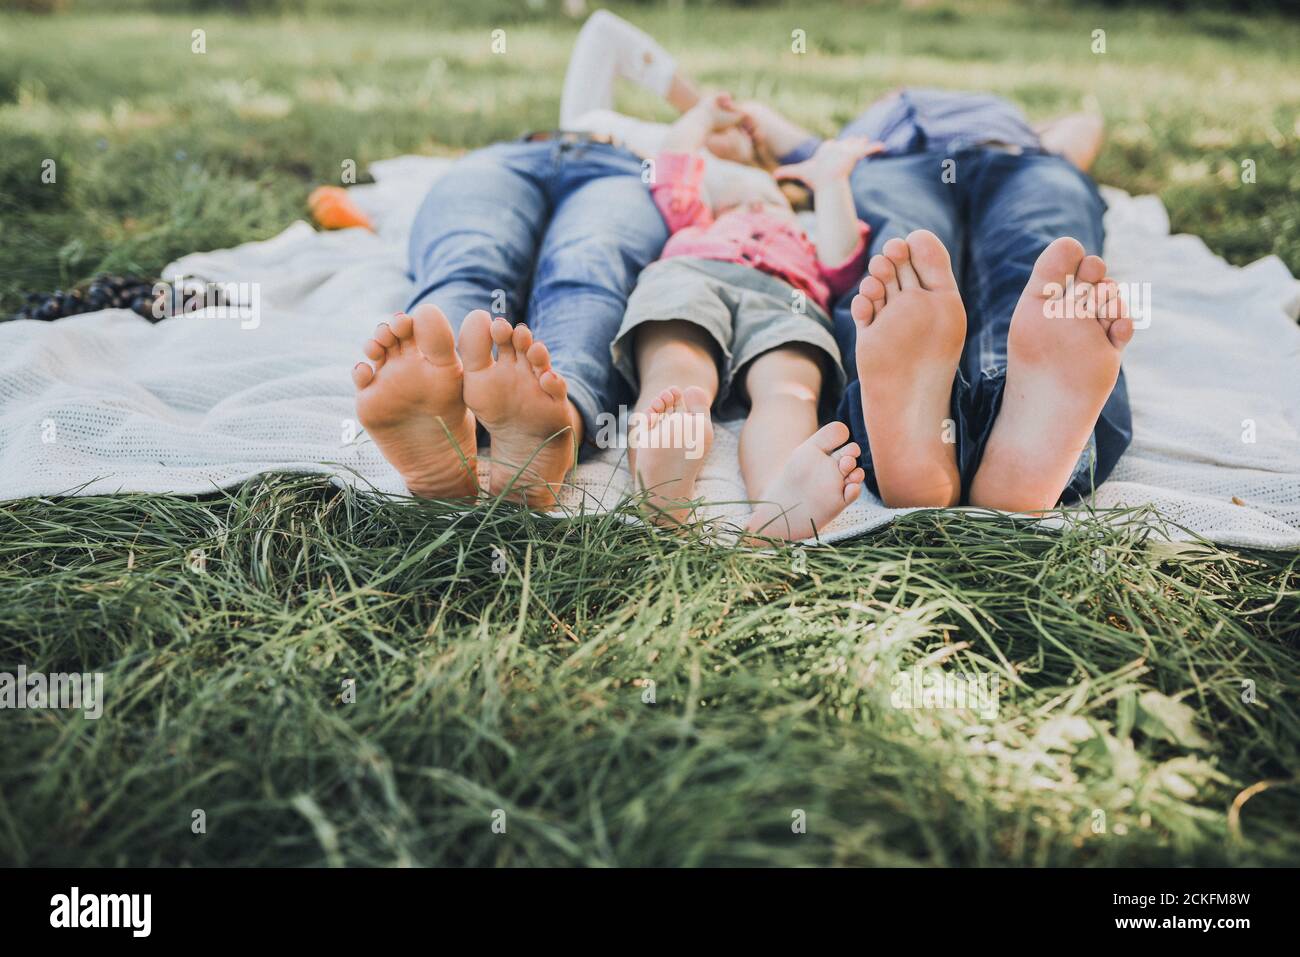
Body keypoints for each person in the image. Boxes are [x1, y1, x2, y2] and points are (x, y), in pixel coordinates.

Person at [611, 94, 876, 539]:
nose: (728, 135)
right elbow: (674, 160)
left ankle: (780, 499)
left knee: (789, 389)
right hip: (692, 273)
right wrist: (705, 114)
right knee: (678, 371)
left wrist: (832, 178)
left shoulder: (801, 219)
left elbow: (841, 259)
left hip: (785, 295)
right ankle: (660, 486)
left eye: (740, 132)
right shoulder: (699, 206)